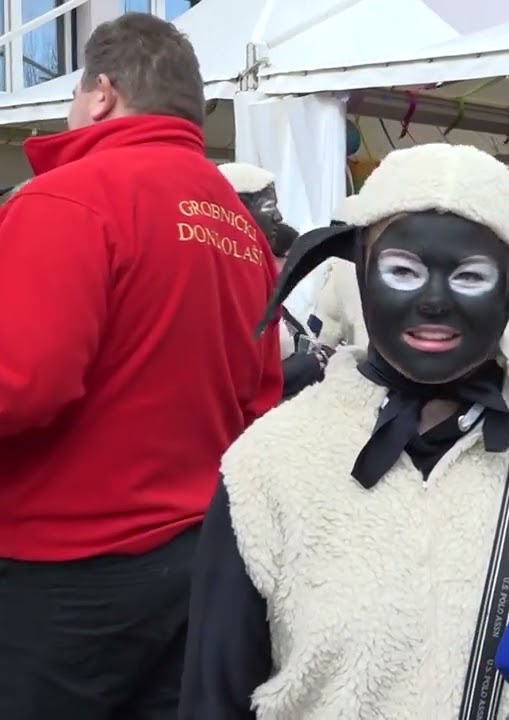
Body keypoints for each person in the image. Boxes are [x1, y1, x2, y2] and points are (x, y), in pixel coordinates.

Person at [179, 143, 509, 718]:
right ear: (361, 272)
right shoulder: (268, 464)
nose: (434, 301)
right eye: (403, 271)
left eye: (471, 275)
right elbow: (214, 696)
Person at [0, 13, 281, 718]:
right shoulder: (238, 223)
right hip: (199, 555)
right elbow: (262, 399)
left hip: (65, 565)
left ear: (101, 93)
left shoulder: (69, 196)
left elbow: (21, 384)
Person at [217, 162, 330, 400]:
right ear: (235, 211)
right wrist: (307, 366)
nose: (279, 217)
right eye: (269, 206)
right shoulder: (218, 286)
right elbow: (231, 382)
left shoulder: (257, 280)